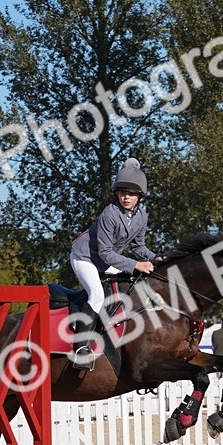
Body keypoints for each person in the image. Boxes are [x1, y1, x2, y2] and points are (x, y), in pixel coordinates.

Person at [67, 158, 157, 369]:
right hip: (85, 258)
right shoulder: (110, 214)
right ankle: (82, 348)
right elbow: (106, 253)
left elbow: (139, 247)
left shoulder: (141, 216)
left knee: (131, 285)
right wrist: (136, 265)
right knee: (97, 294)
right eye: (123, 193)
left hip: (105, 259)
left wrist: (155, 258)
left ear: (140, 197)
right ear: (117, 194)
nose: (126, 197)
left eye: (132, 194)